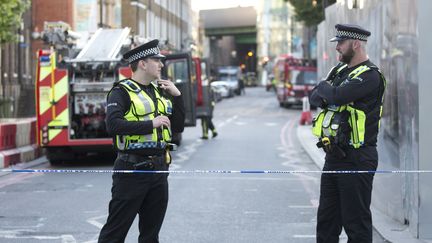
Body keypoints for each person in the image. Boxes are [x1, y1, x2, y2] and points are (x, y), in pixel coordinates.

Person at [98, 39, 185, 243]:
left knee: (150, 235)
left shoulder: (159, 90)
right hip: (131, 170)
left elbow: (178, 127)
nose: (161, 65)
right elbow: (113, 126)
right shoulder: (121, 91)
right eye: (157, 60)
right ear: (143, 64)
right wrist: (151, 124)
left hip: (159, 169)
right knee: (114, 233)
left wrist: (178, 97)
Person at [309, 24, 386, 243]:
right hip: (333, 156)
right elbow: (314, 98)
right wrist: (329, 92)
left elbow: (337, 96)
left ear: (355, 44)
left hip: (358, 158)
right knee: (326, 221)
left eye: (340, 44)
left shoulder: (370, 76)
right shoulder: (339, 71)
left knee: (356, 223)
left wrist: (328, 91)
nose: (337, 48)